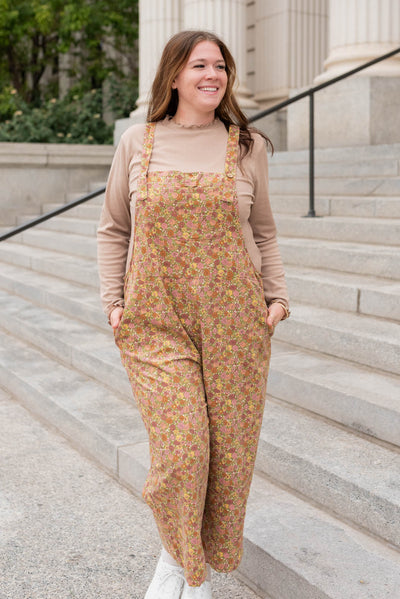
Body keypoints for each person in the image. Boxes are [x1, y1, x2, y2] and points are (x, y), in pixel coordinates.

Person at [97, 29, 289, 599]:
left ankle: (178, 560)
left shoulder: (247, 147)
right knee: (184, 447)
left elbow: (265, 232)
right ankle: (186, 564)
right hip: (154, 321)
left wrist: (277, 299)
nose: (213, 75)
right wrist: (113, 304)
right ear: (174, 75)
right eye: (200, 64)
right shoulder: (138, 141)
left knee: (226, 455)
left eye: (221, 66)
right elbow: (113, 230)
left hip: (235, 323)